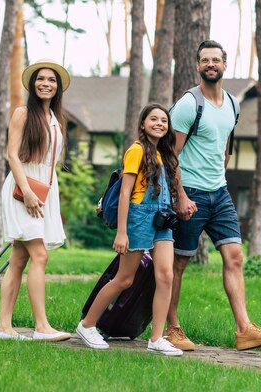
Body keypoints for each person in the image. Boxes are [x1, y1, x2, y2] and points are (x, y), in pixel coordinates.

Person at [166, 40, 261, 351]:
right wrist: (179, 196)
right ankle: (171, 328)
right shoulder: (188, 105)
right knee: (178, 263)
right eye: (205, 60)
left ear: (225, 65)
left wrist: (221, 176)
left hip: (219, 193)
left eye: (216, 60)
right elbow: (170, 155)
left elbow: (226, 145)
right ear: (197, 65)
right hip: (189, 193)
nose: (211, 65)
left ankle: (244, 329)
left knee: (235, 257)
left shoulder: (233, 103)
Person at [76, 103, 183, 357]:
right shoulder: (136, 150)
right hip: (138, 218)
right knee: (124, 278)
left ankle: (156, 338)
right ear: (143, 124)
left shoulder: (162, 154)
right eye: (153, 119)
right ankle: (87, 325)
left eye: (164, 120)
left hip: (161, 220)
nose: (159, 123)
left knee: (166, 276)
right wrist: (121, 232)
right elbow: (125, 192)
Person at [0, 59, 72, 342]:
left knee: (18, 259)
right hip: (22, 188)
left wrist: (44, 193)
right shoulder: (23, 113)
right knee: (40, 255)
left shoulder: (55, 118)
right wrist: (26, 191)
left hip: (44, 190)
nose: (46, 84)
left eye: (52, 80)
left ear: (58, 87)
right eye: (41, 79)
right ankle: (41, 326)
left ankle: (3, 327)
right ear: (32, 84)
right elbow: (12, 154)